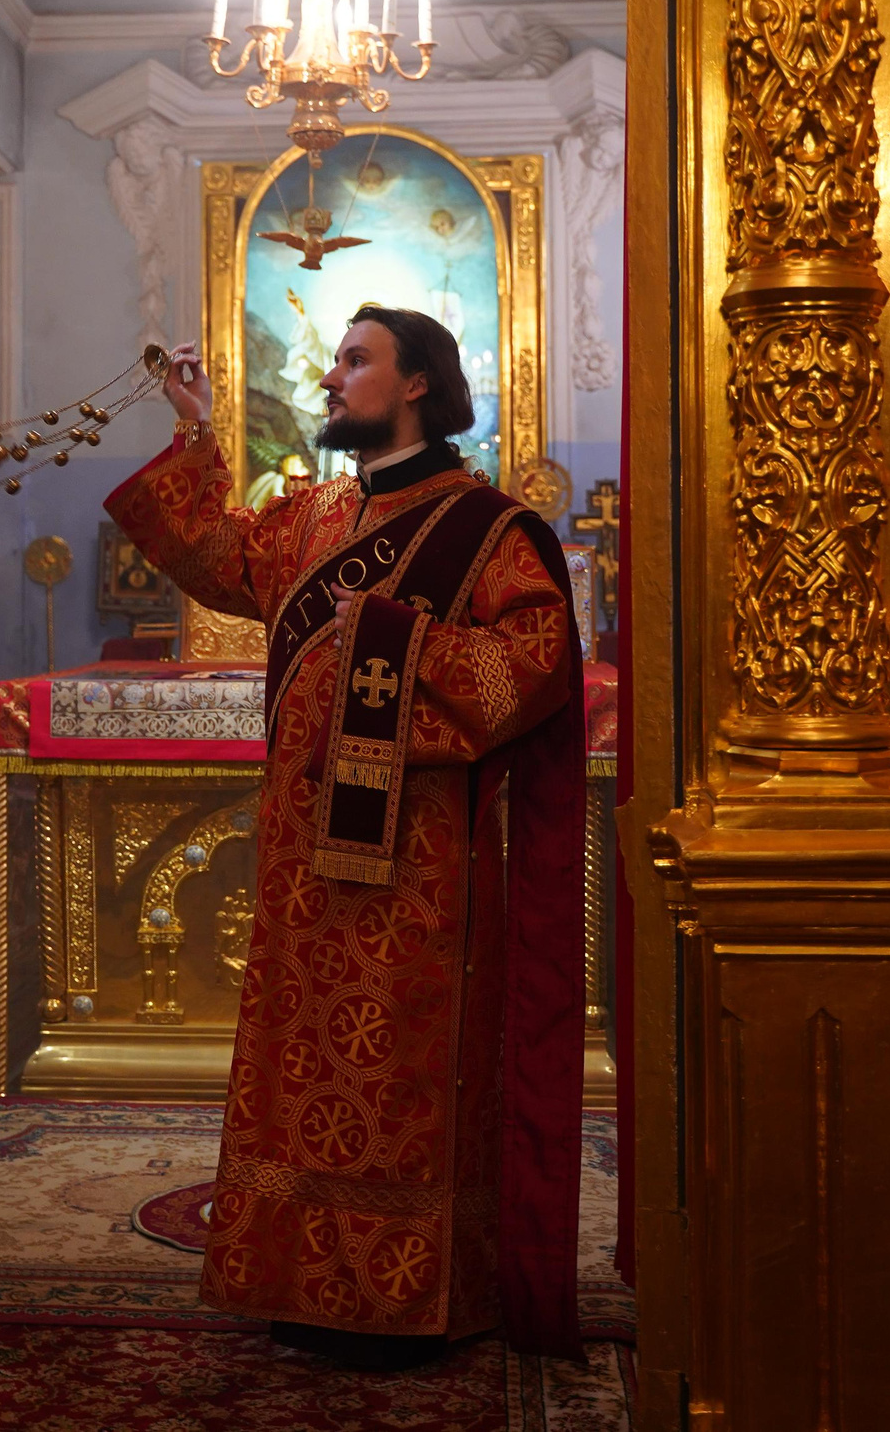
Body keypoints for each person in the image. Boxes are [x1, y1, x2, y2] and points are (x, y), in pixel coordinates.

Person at [105, 305, 588, 1366]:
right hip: (300, 862)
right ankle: (295, 1277)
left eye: (355, 361)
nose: (330, 378)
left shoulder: (489, 529)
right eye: (333, 361)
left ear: (417, 384)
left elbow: (534, 660)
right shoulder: (310, 518)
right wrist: (193, 429)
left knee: (398, 1076)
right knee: (298, 1074)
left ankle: (403, 1299)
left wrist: (393, 649)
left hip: (419, 871)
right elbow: (209, 557)